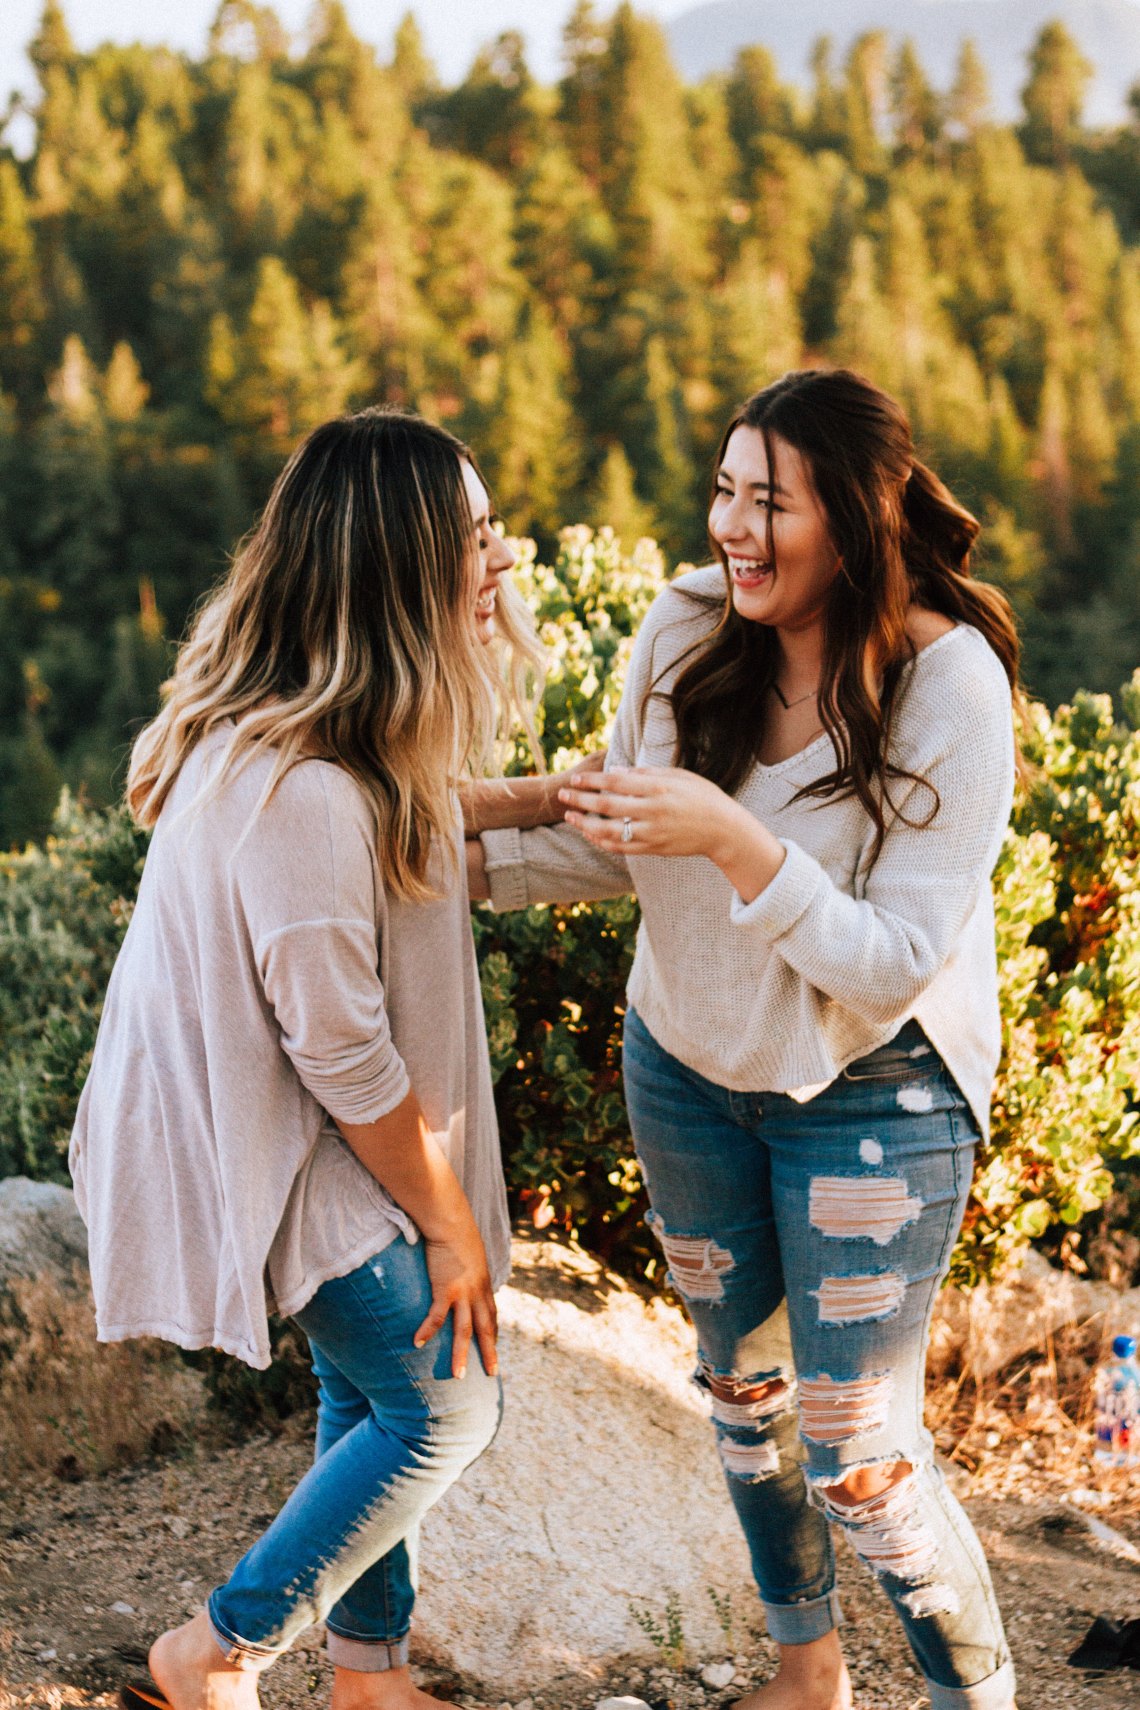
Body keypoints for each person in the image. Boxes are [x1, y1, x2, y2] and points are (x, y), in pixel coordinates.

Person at [468, 369, 1021, 1710]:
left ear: (857, 513)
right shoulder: (683, 628)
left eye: (771, 500)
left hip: (874, 1089)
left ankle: (975, 1693)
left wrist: (734, 835)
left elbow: (893, 959)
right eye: (725, 489)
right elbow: (615, 842)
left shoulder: (950, 684)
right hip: (686, 1066)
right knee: (744, 1392)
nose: (734, 526)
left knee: (857, 1449)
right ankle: (805, 1670)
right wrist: (411, 845)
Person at [70, 408, 564, 1710]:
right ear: (401, 567)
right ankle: (218, 1645)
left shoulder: (320, 741)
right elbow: (340, 1049)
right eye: (475, 536)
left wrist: (532, 797)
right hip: (264, 1129)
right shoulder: (303, 787)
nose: (499, 556)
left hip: (281, 1111)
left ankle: (370, 1674)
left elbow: (402, 811)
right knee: (446, 1401)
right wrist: (451, 1227)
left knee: (375, 1383)